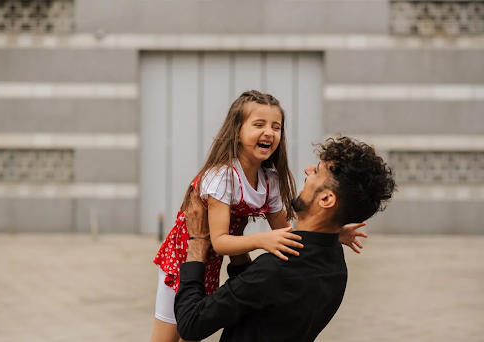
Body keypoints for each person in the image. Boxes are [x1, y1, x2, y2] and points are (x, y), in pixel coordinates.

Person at [150, 91, 366, 342]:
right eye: (259, 124)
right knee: (167, 337)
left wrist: (332, 232)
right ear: (236, 132)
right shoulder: (223, 176)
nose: (270, 132)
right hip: (184, 256)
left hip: (211, 260)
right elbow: (219, 241)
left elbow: (288, 234)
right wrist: (262, 240)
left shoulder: (270, 180)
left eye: (276, 126)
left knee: (194, 329)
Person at [175, 135, 397, 342]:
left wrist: (197, 241)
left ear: (327, 199)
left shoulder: (275, 268)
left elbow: (191, 324)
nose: (307, 170)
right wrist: (236, 240)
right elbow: (259, 302)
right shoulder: (337, 267)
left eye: (317, 171)